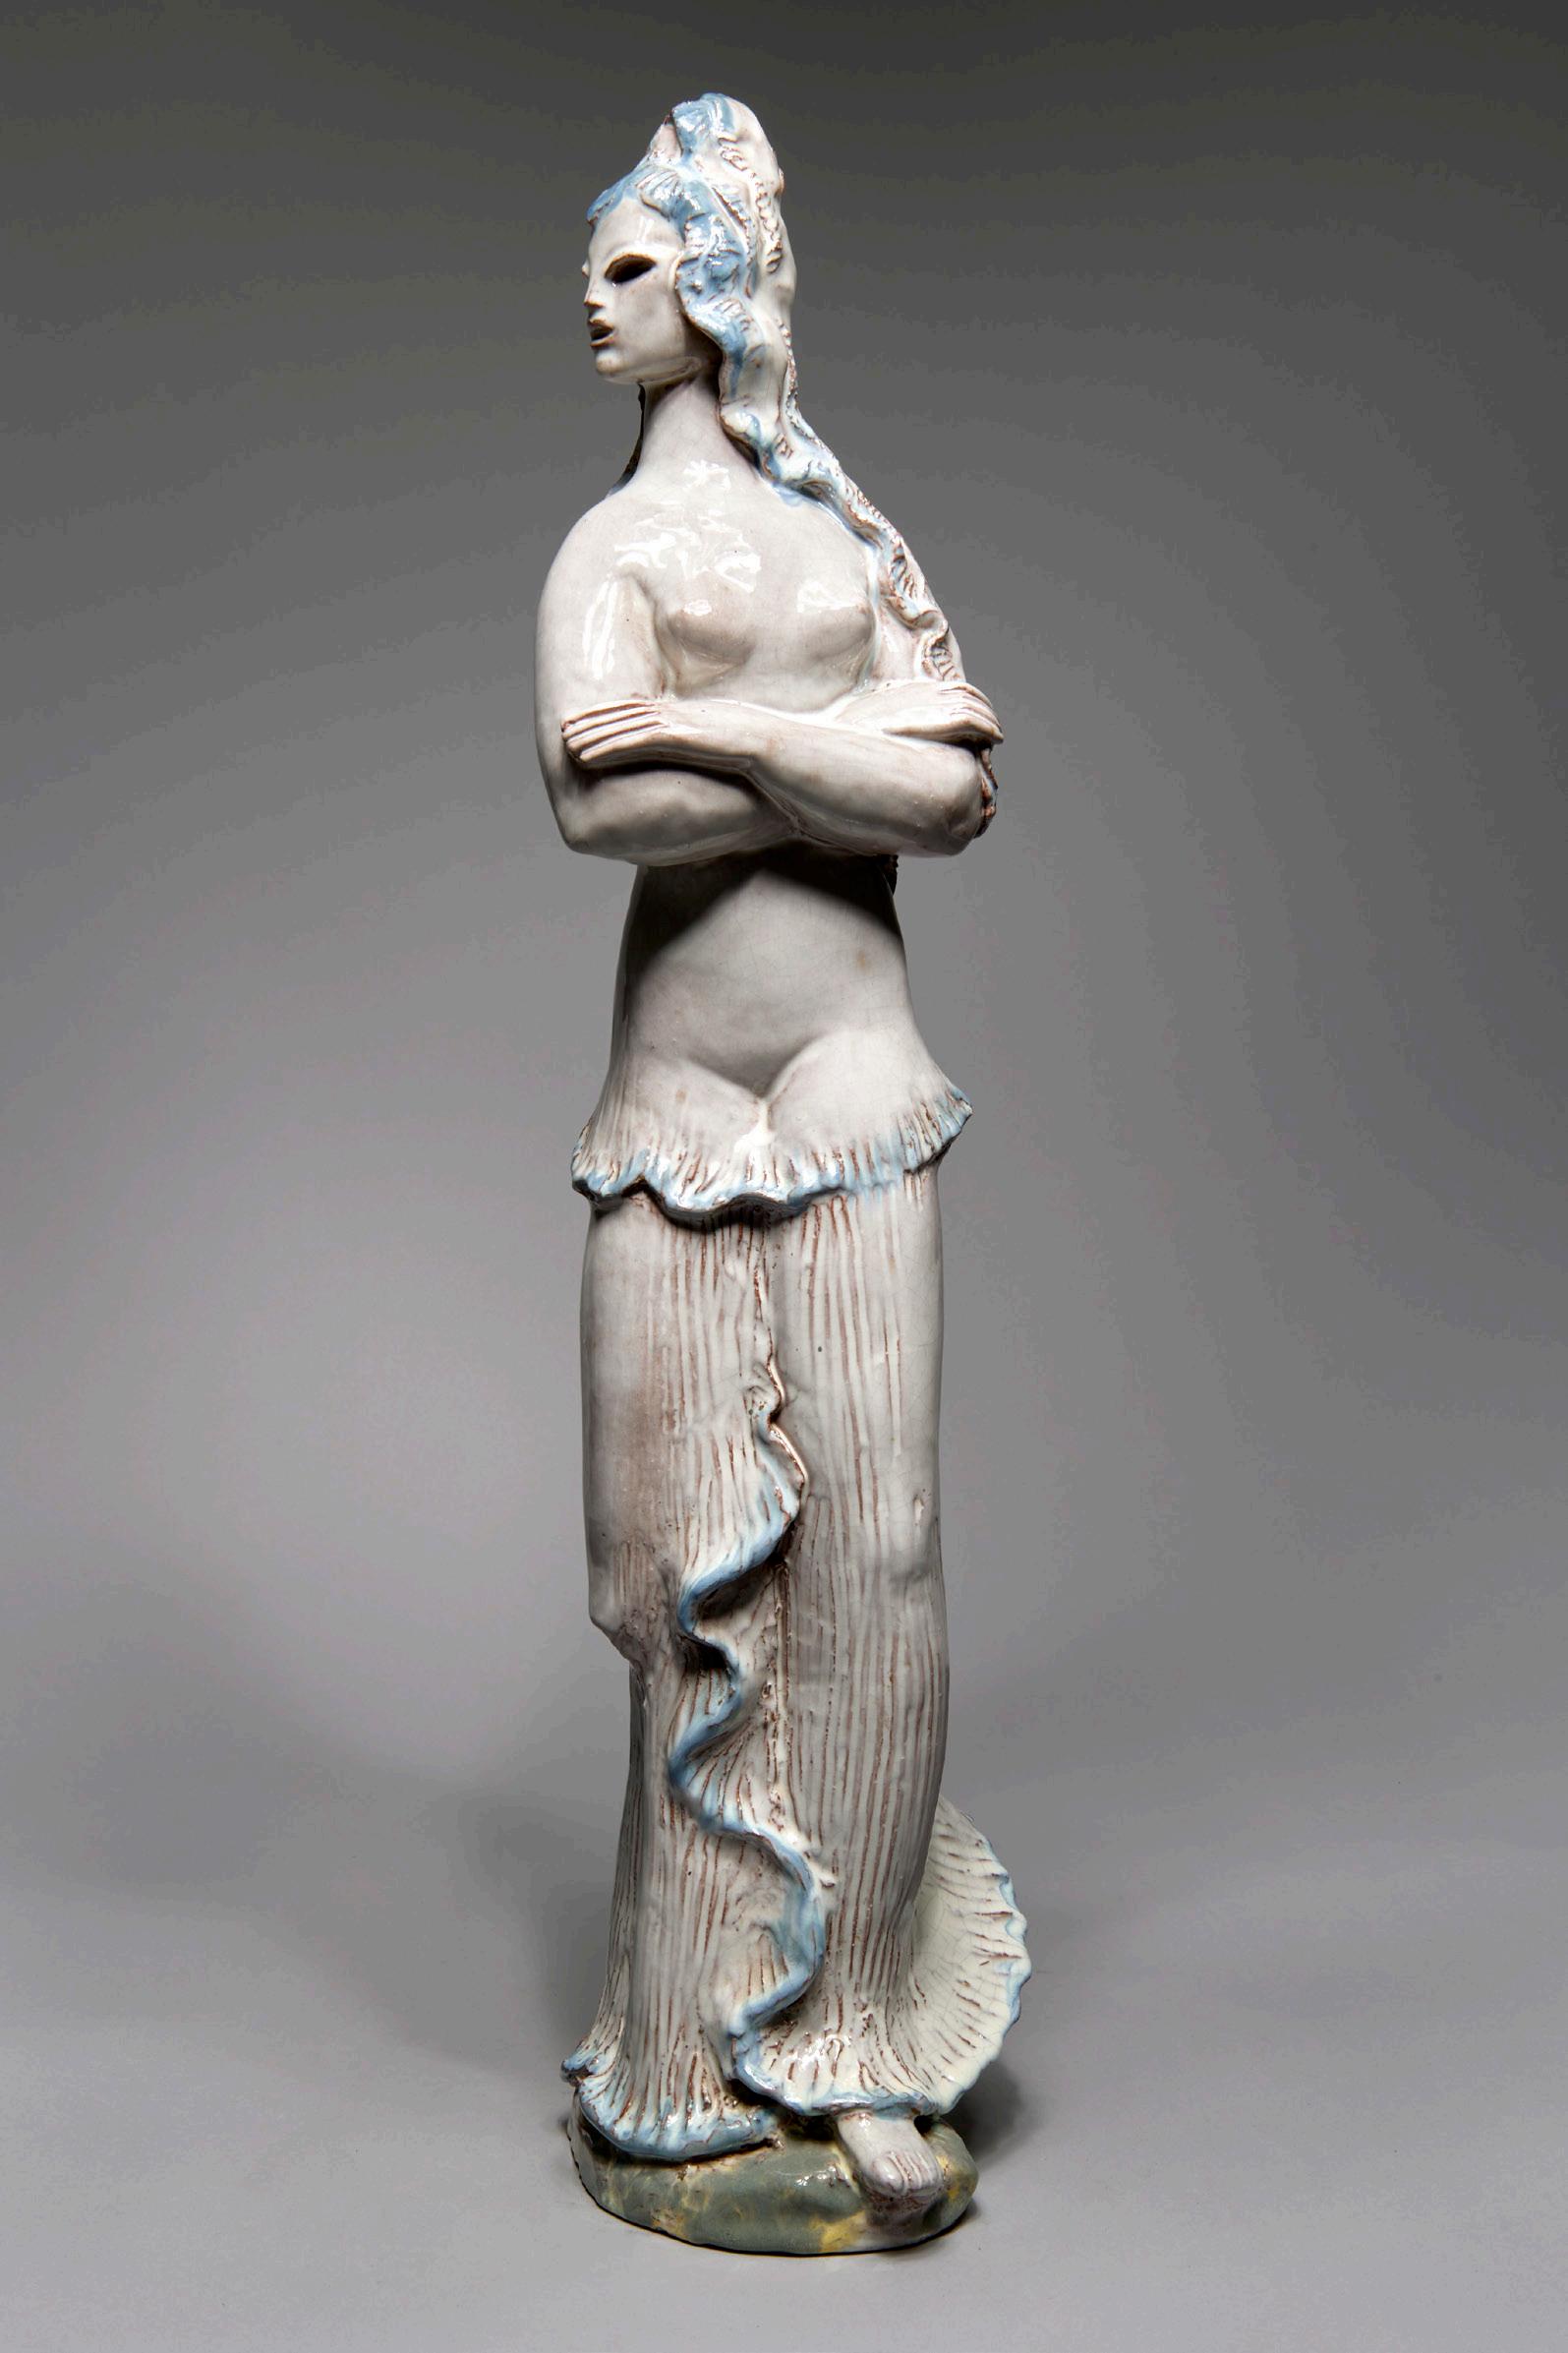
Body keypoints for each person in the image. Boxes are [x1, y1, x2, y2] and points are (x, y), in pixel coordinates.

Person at [535, 93, 1028, 2221]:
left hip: (847, 1073)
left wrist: (726, 730)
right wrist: (836, 763)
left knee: (882, 1551)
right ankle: (687, 2037)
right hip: (675, 1098)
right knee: (664, 1574)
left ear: (721, 284)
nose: (594, 297)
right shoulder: (606, 555)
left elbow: (957, 796)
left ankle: (856, 2039)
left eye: (634, 263)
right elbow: (596, 808)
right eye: (593, 267)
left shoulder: (840, 540)